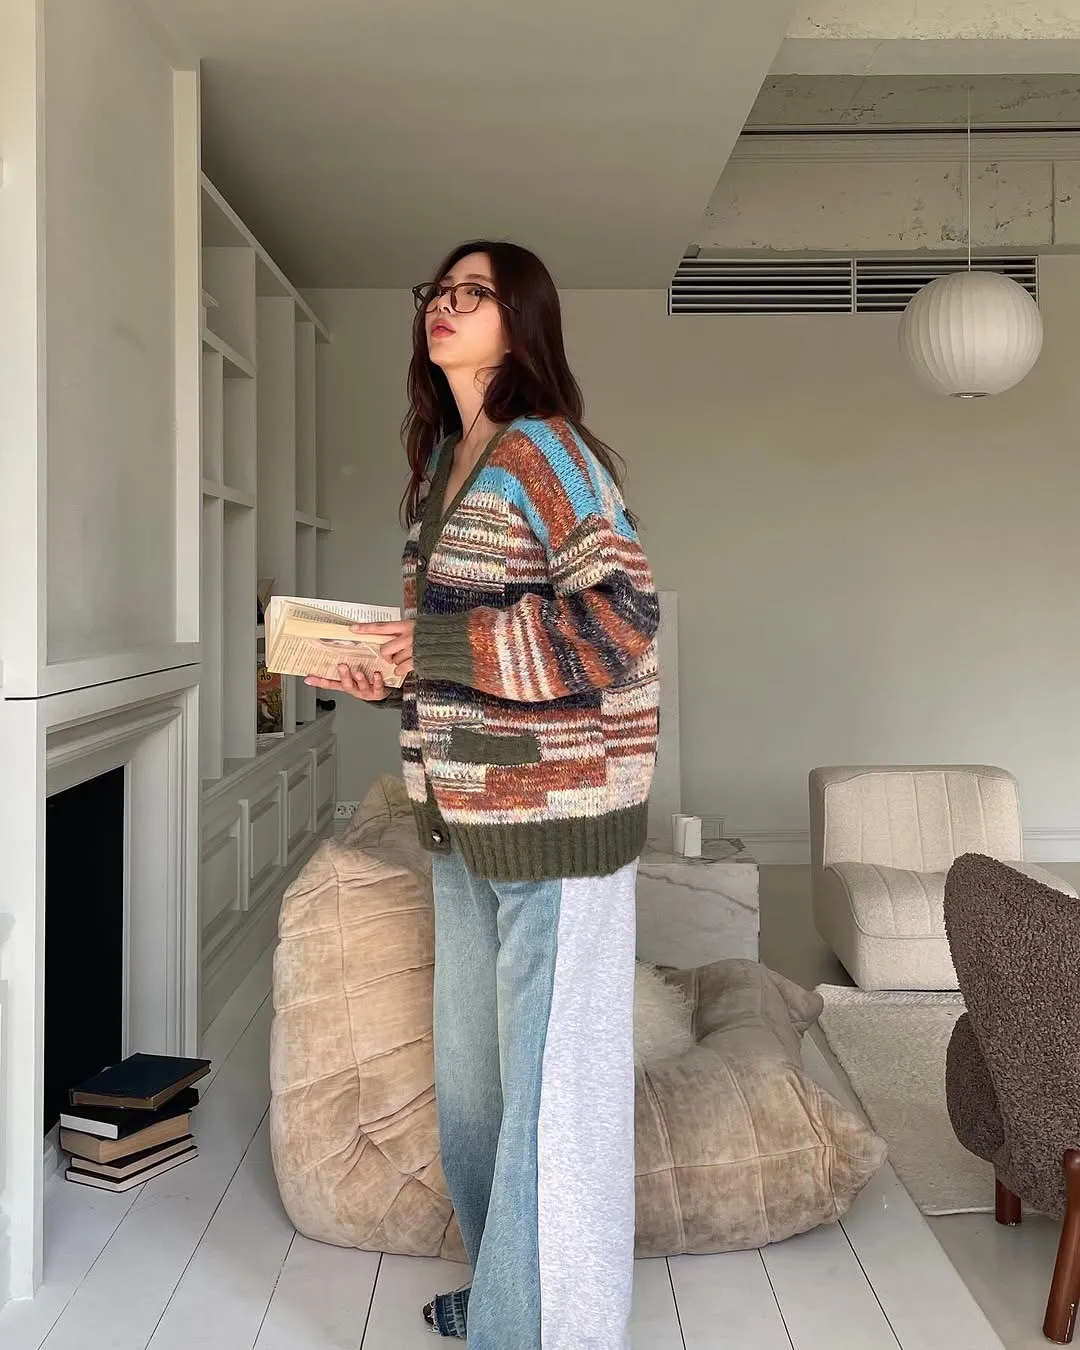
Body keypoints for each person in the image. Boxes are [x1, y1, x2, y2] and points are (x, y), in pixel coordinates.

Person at [305, 241, 660, 1350]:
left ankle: (540, 1327)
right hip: (464, 821)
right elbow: (455, 656)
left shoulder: (547, 451)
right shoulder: (444, 469)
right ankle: (512, 1292)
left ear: (524, 320)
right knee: (477, 1089)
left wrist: (433, 646)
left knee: (552, 1093)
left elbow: (620, 621)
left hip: (560, 817)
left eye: (474, 293)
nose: (443, 308)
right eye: (436, 293)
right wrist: (385, 671)